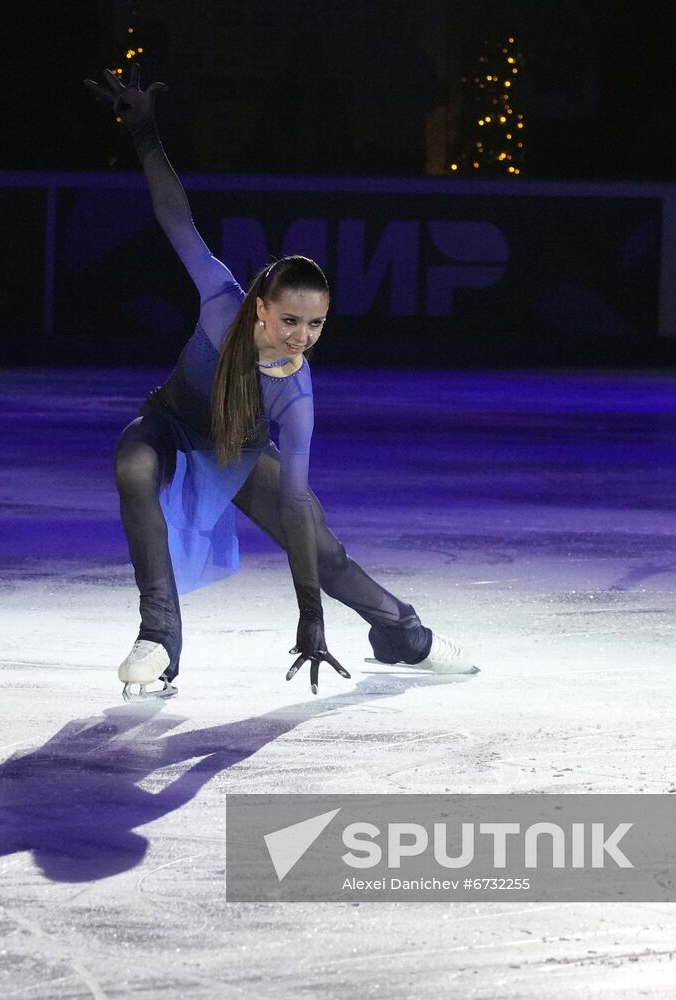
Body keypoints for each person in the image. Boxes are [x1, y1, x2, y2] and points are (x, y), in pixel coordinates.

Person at [85, 66, 478, 700]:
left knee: (328, 556)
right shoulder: (221, 302)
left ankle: (405, 633)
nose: (301, 335)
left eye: (316, 324)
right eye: (291, 319)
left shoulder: (297, 394)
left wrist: (312, 616)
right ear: (262, 307)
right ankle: (159, 637)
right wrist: (146, 134)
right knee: (132, 463)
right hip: (171, 425)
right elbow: (174, 218)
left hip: (236, 452)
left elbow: (293, 505)